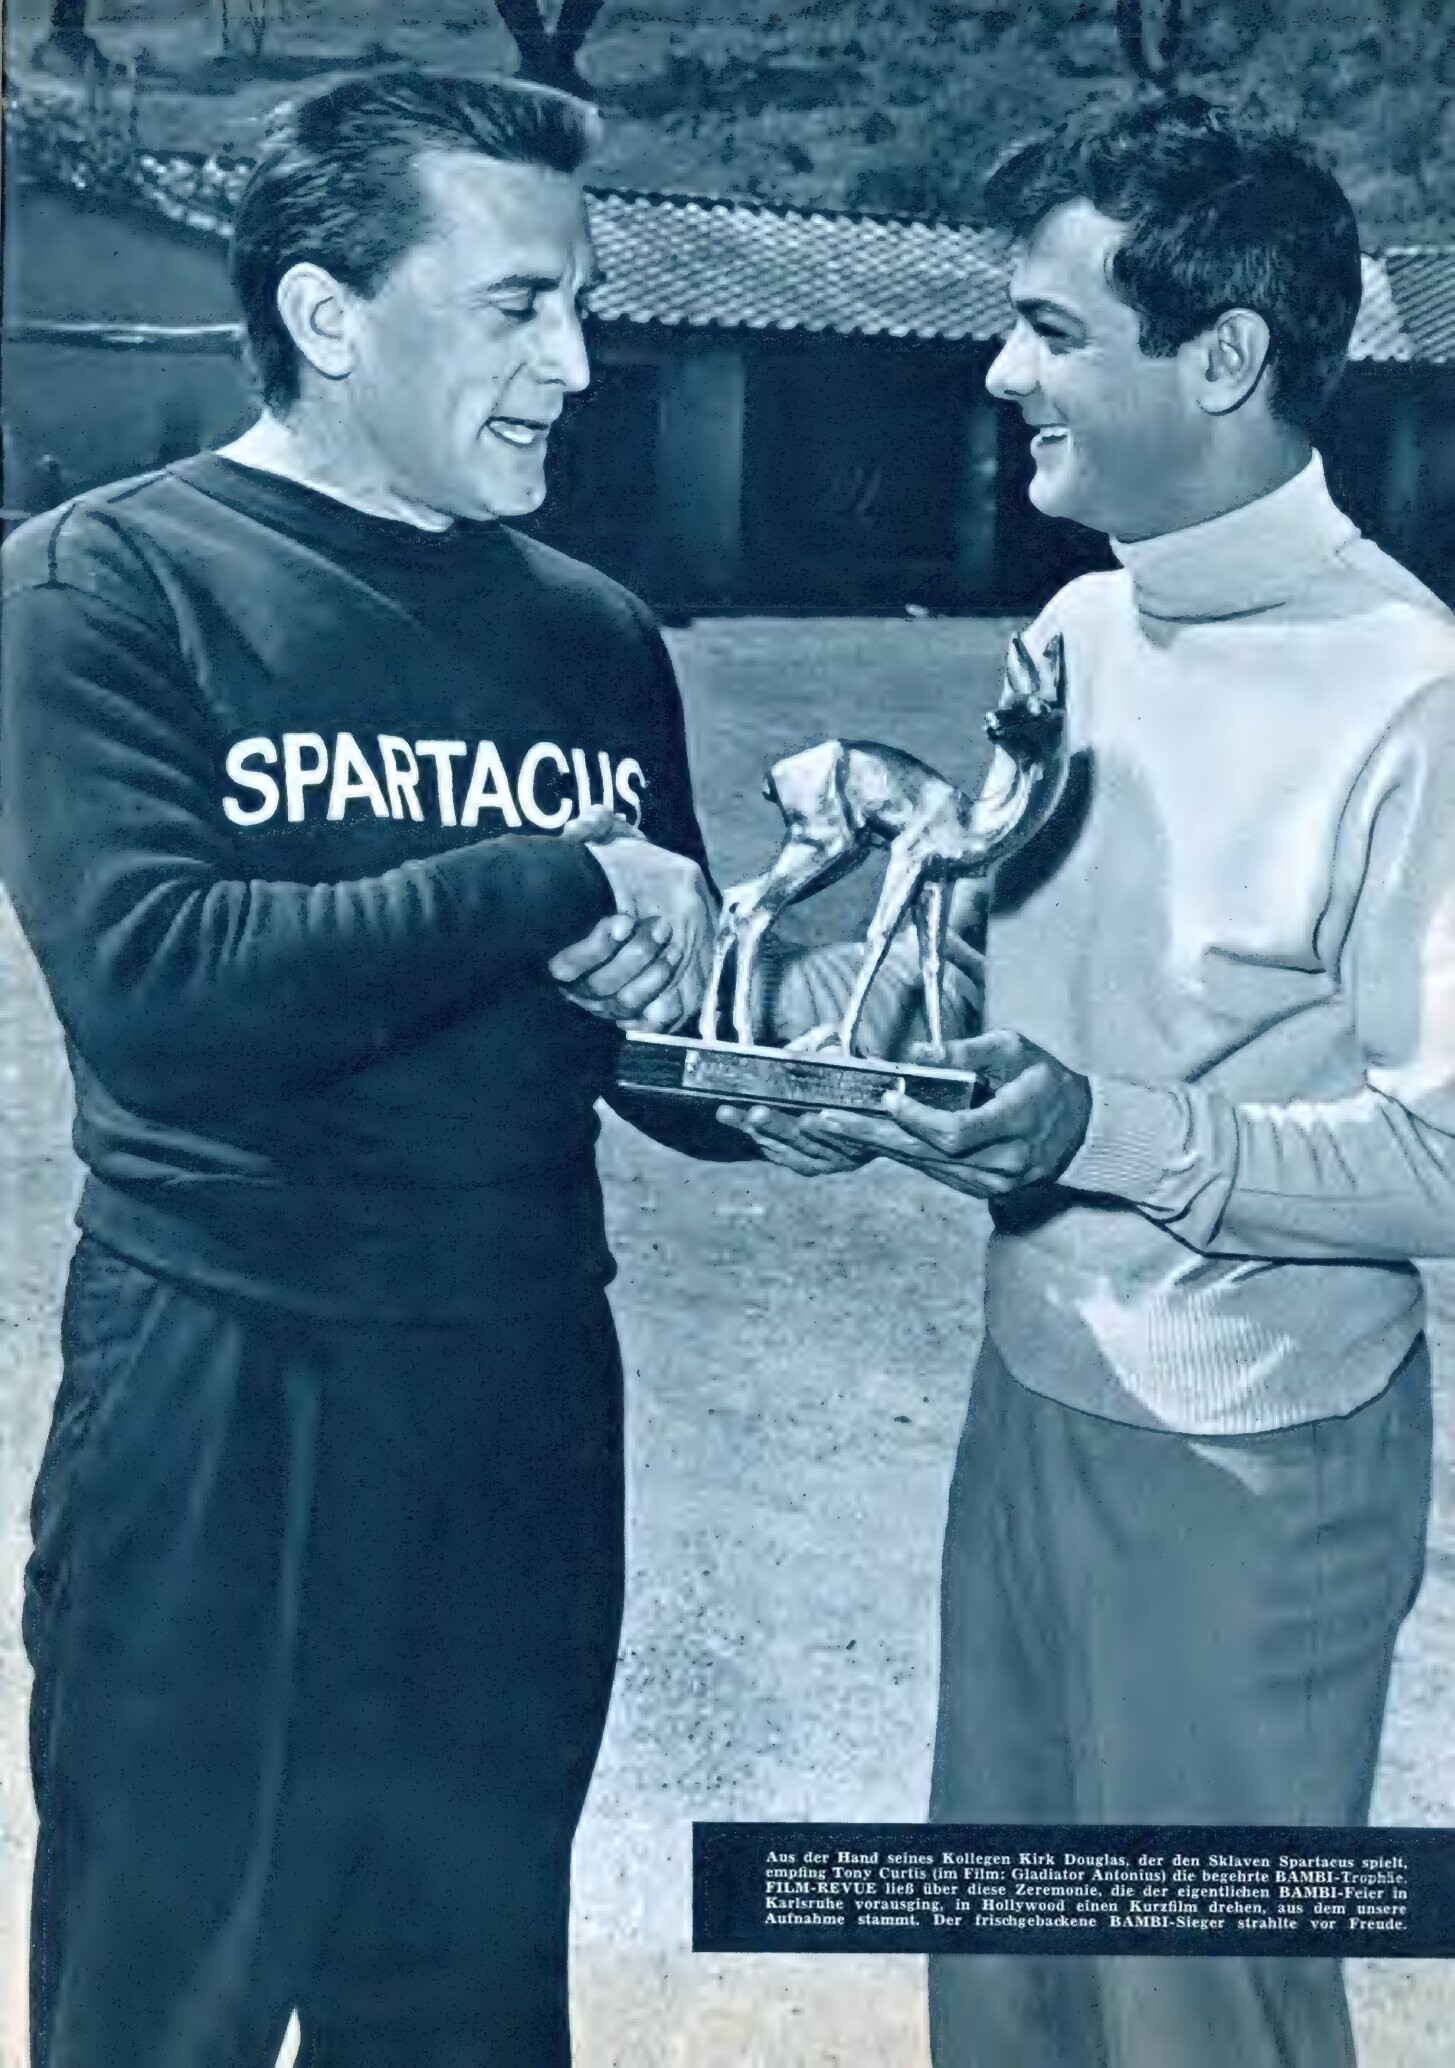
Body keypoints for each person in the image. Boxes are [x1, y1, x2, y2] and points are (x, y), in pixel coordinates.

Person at [0, 67, 965, 2068]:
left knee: (461, 2011)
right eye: (519, 305)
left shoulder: (589, 634)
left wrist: (790, 1055)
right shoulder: (107, 584)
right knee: (155, 2014)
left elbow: (644, 1048)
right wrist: (549, 876)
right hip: (227, 1397)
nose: (578, 365)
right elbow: (160, 987)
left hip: (520, 1399)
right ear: (329, 314)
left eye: (580, 305)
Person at [730, 94, 1455, 2068]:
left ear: (1220, 359)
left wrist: (1093, 1127)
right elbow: (986, 993)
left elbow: (1441, 1151)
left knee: (1196, 2016)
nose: (998, 371)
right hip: (1028, 1399)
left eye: (1050, 329)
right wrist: (812, 1034)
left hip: (1253, 1459)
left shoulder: (1411, 691)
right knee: (1009, 1998)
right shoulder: (1076, 628)